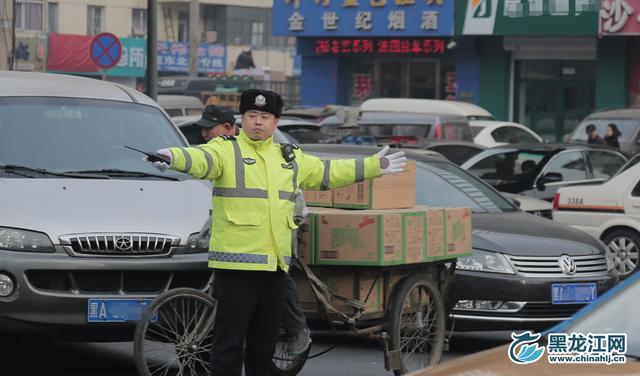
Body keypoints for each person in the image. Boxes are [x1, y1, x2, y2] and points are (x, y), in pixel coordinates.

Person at [144, 89, 406, 376]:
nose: (258, 121)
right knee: (228, 345)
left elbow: (327, 172)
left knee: (263, 346)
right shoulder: (226, 150)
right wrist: (172, 157)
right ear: (242, 119)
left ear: (275, 122)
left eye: (265, 116)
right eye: (252, 115)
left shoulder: (289, 157)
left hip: (275, 267)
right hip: (236, 266)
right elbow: (200, 159)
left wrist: (373, 166)